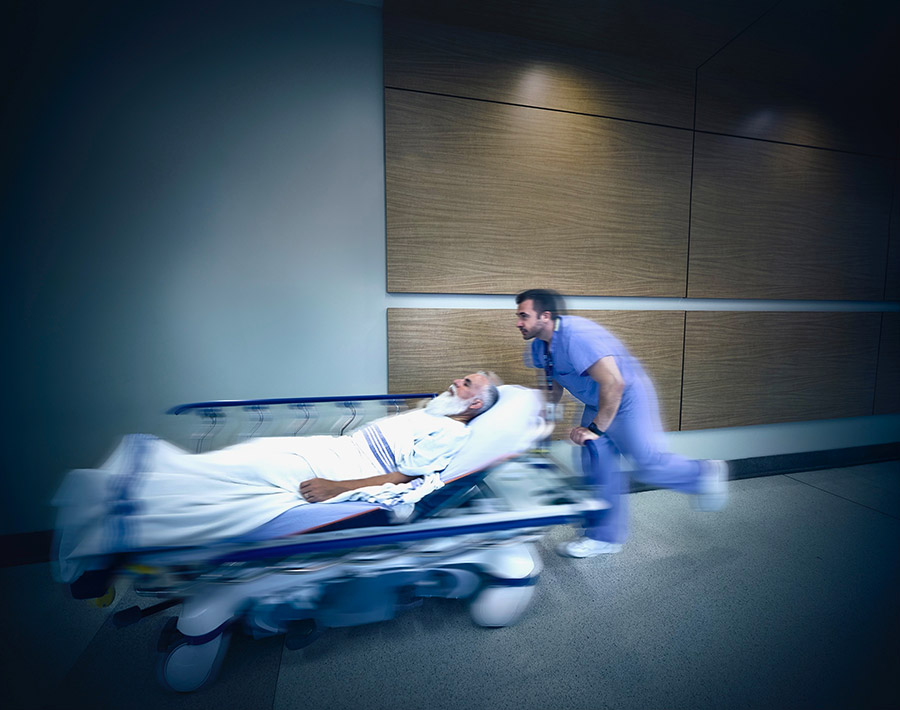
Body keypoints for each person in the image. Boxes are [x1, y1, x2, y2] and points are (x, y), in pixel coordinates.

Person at [54, 372, 500, 578]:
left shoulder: (450, 434)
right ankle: (125, 498)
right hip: (334, 449)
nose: (454, 384)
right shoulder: (433, 411)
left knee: (244, 475)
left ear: (475, 404)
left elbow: (404, 479)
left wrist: (336, 488)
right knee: (245, 457)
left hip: (345, 469)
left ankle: (124, 523)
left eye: (464, 384)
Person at [514, 289, 727, 558]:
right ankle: (603, 537)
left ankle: (702, 474)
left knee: (648, 464)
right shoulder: (539, 346)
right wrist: (538, 421)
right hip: (596, 402)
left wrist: (594, 429)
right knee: (597, 467)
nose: (518, 322)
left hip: (626, 399)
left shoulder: (577, 336)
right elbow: (553, 390)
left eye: (523, 315)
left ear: (545, 316)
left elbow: (615, 383)